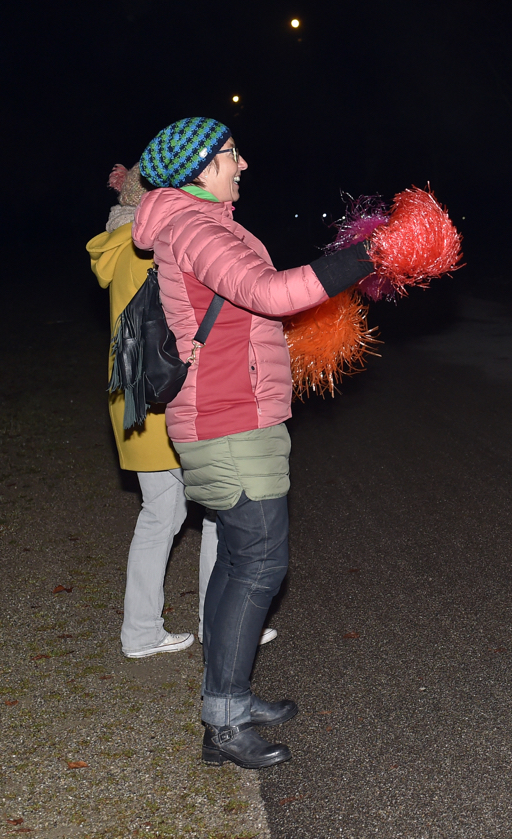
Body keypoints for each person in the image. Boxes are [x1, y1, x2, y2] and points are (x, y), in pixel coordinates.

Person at [132, 118, 371, 767]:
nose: (243, 163)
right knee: (261, 562)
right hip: (227, 421)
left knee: (241, 562)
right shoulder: (198, 228)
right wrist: (362, 259)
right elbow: (269, 293)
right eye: (232, 155)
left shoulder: (210, 225)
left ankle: (229, 698)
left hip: (236, 415)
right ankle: (226, 721)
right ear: (200, 168)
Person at [89, 165, 278, 658]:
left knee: (162, 515)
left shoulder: (118, 247)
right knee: (220, 512)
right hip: (171, 395)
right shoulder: (160, 243)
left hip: (134, 399)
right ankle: (217, 623)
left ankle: (142, 630)